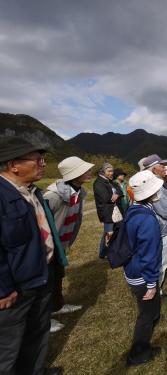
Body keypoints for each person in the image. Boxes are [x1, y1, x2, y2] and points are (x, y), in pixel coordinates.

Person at [0, 137, 64, 375]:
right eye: (37, 160)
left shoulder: (32, 192)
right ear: (14, 165)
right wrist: (3, 288)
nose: (43, 164)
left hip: (41, 274)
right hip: (16, 287)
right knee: (9, 345)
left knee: (37, 330)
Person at [44, 156, 94, 333]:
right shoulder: (53, 197)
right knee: (46, 282)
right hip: (48, 247)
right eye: (85, 170)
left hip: (61, 243)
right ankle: (44, 320)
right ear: (74, 174)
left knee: (58, 276)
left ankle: (57, 305)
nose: (89, 172)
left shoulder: (79, 193)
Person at [124, 170, 164, 366]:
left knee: (149, 313)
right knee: (148, 316)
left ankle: (143, 347)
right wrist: (151, 284)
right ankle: (138, 353)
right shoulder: (147, 219)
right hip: (143, 276)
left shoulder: (134, 209)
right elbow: (149, 255)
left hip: (133, 270)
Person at [143, 154, 167, 295]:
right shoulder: (156, 185)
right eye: (161, 165)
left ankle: (154, 288)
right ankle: (156, 291)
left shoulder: (150, 182)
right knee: (161, 263)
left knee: (154, 260)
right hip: (160, 229)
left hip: (154, 227)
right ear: (153, 169)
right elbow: (165, 209)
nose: (165, 168)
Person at [93, 162, 124, 258]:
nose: (111, 173)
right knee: (109, 233)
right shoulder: (98, 183)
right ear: (103, 171)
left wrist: (117, 195)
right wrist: (114, 196)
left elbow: (120, 191)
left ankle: (113, 252)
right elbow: (105, 197)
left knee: (117, 232)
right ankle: (103, 253)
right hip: (107, 212)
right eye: (109, 171)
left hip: (116, 211)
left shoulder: (110, 181)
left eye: (112, 171)